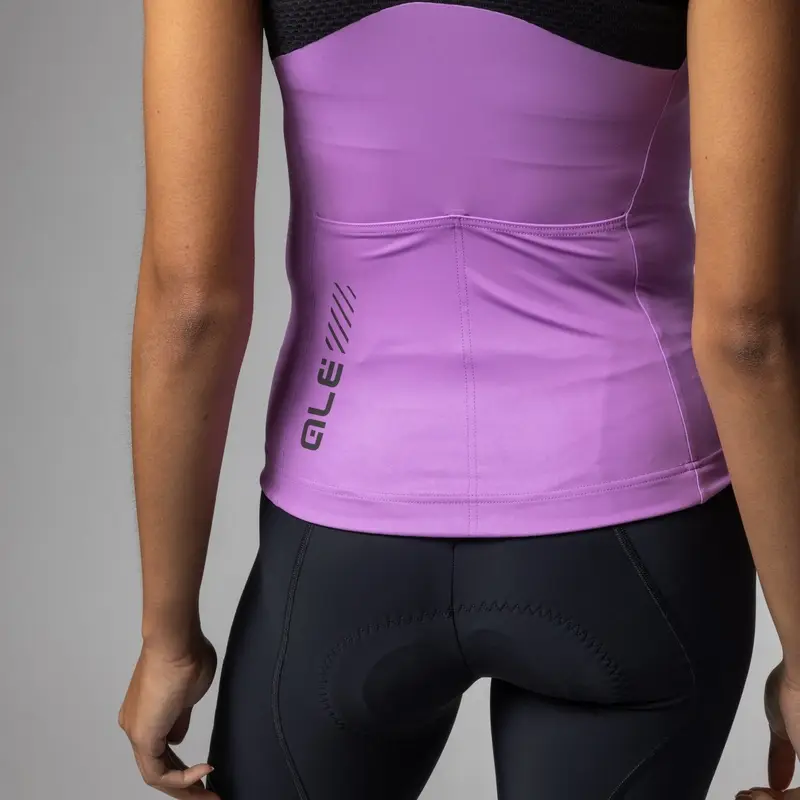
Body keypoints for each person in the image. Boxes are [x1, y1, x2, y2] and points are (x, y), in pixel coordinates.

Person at [117, 0, 800, 797]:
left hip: (345, 535)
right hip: (634, 538)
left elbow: (191, 305)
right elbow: (750, 332)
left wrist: (167, 637)